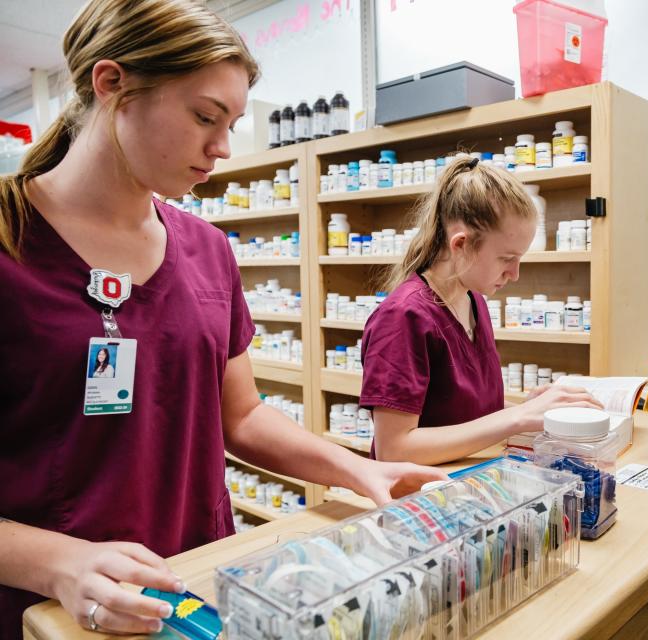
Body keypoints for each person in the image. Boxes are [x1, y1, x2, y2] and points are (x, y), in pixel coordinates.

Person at [0, 1, 444, 637]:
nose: (223, 148)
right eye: (205, 116)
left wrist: (356, 467)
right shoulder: (10, 239)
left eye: (232, 122)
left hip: (195, 591)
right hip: (48, 615)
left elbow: (240, 414)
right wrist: (55, 563)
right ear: (111, 84)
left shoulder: (207, 249)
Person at [360, 155, 602, 465]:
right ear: (460, 244)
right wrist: (516, 418)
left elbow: (468, 416)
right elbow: (394, 450)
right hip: (419, 498)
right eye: (506, 259)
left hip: (471, 483)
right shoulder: (404, 317)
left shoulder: (474, 300)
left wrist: (527, 408)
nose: (515, 274)